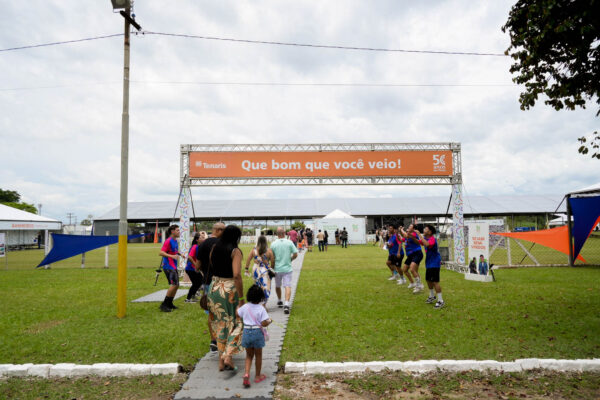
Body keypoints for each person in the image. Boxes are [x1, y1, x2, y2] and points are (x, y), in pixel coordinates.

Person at [207, 225, 245, 372]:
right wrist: (241, 299)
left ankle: (221, 362)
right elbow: (236, 275)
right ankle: (228, 355)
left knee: (219, 323)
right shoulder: (235, 251)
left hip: (214, 287)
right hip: (228, 289)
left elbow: (210, 266)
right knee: (237, 321)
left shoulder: (214, 248)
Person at [237, 284, 272, 388]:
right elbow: (264, 323)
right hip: (257, 333)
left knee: (248, 355)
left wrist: (237, 307)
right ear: (261, 297)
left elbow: (238, 314)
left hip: (247, 332)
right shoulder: (261, 308)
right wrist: (269, 321)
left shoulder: (245, 307)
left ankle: (246, 374)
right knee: (258, 355)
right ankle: (257, 376)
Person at [198, 223, 226, 352]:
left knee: (211, 313)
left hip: (208, 281)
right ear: (219, 230)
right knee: (224, 312)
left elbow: (197, 266)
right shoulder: (225, 244)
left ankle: (213, 340)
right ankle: (224, 340)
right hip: (223, 282)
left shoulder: (203, 244)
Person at [415, 225, 445, 309]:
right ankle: (432, 296)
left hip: (435, 263)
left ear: (430, 232)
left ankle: (441, 301)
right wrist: (411, 236)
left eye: (425, 229)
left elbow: (427, 244)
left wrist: (419, 235)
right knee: (428, 280)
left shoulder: (432, 239)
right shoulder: (426, 238)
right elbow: (418, 242)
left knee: (435, 282)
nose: (423, 230)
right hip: (429, 262)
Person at [270, 227, 298, 314]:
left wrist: (272, 267)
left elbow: (272, 257)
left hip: (277, 269)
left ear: (276, 234)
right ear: (284, 233)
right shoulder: (289, 243)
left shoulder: (273, 244)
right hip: (287, 268)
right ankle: (286, 304)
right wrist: (290, 259)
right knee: (287, 286)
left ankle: (279, 300)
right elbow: (295, 254)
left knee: (278, 286)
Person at [244, 235, 275, 308]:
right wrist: (272, 268)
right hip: (265, 271)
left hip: (256, 270)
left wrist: (246, 269)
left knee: (257, 287)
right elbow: (273, 261)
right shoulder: (269, 250)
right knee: (266, 287)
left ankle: (258, 304)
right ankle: (263, 304)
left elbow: (248, 259)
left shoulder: (254, 250)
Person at [158, 224, 181, 312]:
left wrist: (179, 254)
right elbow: (161, 253)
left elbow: (173, 251)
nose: (179, 232)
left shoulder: (175, 240)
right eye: (177, 230)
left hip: (173, 265)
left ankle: (170, 303)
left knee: (176, 285)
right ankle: (164, 305)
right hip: (168, 266)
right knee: (174, 285)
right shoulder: (168, 241)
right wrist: (172, 256)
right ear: (172, 231)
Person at [400, 224, 424, 293]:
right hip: (410, 255)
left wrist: (401, 229)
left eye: (410, 226)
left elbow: (406, 235)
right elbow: (403, 237)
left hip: (417, 253)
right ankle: (414, 283)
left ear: (413, 229)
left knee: (412, 269)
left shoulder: (414, 233)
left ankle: (418, 286)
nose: (409, 227)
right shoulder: (409, 234)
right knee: (405, 269)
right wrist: (400, 231)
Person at [185, 232, 203, 303]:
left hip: (193, 268)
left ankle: (192, 296)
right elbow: (189, 257)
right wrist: (196, 265)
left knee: (198, 282)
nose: (203, 239)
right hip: (191, 269)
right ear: (197, 240)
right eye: (201, 237)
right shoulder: (195, 246)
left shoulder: (198, 246)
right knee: (197, 283)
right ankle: (188, 299)